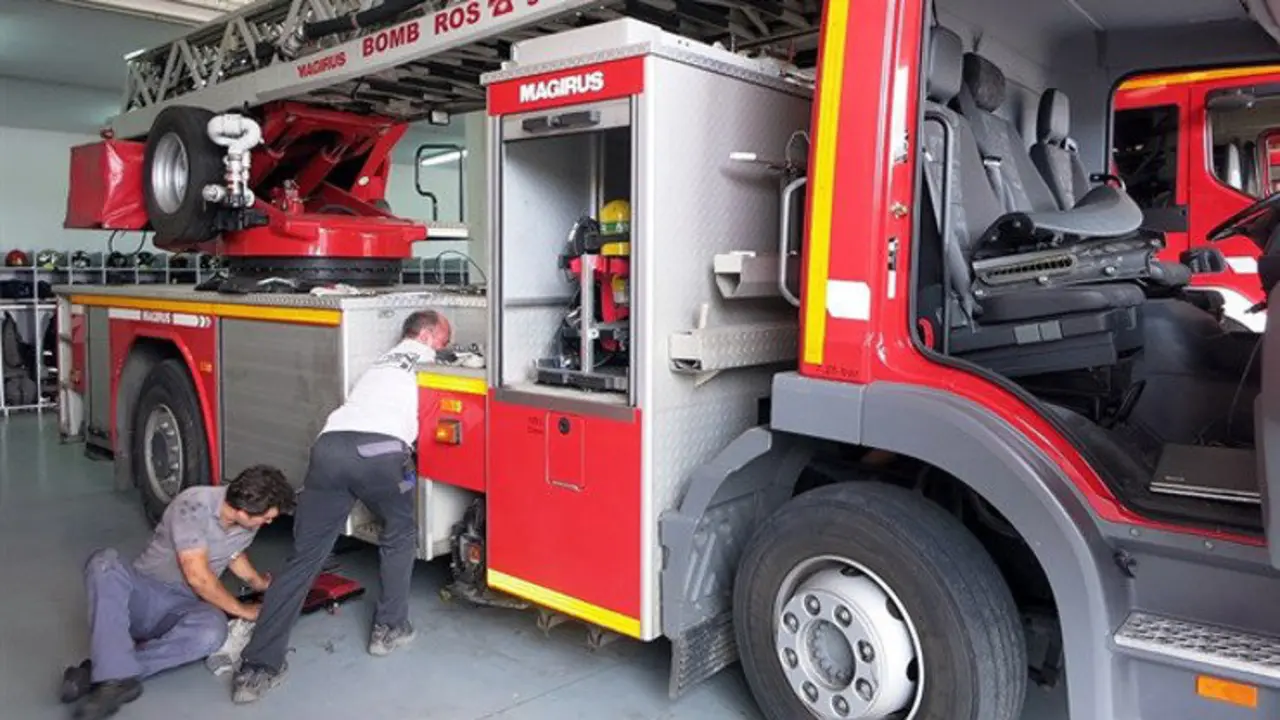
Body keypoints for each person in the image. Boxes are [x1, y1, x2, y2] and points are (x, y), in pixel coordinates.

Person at [231, 309, 452, 704]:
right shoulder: (430, 360)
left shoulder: (378, 364)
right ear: (429, 335)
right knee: (400, 534)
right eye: (444, 339)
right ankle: (390, 628)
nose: (446, 346)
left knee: (304, 559)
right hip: (381, 453)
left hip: (329, 448)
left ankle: (256, 670)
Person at [62, 465, 295, 720]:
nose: (270, 522)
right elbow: (198, 577)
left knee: (211, 630)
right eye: (267, 517)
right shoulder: (194, 504)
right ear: (243, 511)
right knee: (104, 563)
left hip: (182, 607)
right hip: (144, 599)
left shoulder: (248, 524)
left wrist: (260, 583)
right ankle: (111, 676)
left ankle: (106, 674)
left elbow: (232, 554)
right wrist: (243, 611)